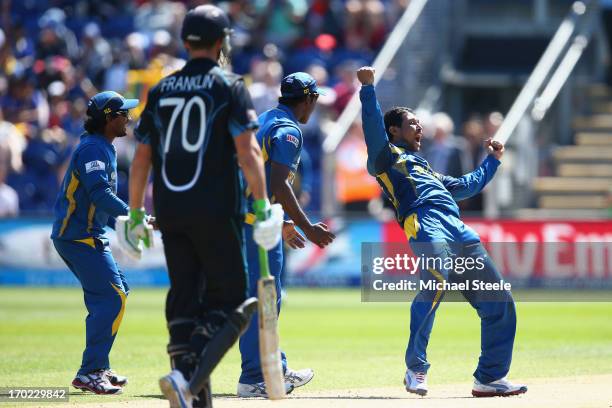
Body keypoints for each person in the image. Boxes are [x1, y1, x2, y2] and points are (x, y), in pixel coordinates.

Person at [126, 5, 282, 408]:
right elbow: (248, 153)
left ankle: (193, 398)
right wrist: (263, 206)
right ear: (221, 42)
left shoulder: (159, 89)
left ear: (185, 42)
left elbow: (140, 158)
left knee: (184, 298)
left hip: (170, 211)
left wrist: (137, 213)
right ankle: (187, 379)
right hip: (215, 208)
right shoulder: (229, 85)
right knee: (232, 301)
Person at [356, 66, 527, 398]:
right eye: (412, 123)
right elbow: (372, 127)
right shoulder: (385, 157)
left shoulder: (427, 169)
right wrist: (368, 89)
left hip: (459, 230)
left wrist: (492, 160)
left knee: (500, 301)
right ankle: (416, 369)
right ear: (394, 130)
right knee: (435, 284)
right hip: (426, 224)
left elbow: (465, 186)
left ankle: (489, 378)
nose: (420, 127)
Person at [237, 72, 336, 398]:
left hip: (254, 219)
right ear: (308, 100)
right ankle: (255, 377)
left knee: (265, 298)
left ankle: (272, 366)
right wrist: (308, 227)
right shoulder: (289, 131)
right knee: (265, 299)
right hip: (256, 225)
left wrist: (283, 221)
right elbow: (278, 183)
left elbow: (260, 179)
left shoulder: (266, 118)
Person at [50, 91, 152, 394]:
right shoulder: (93, 149)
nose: (129, 118)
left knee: (117, 294)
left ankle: (98, 366)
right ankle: (90, 372)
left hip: (85, 234)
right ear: (109, 118)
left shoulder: (103, 147)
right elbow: (99, 194)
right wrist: (135, 215)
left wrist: (130, 221)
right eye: (124, 113)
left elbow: (97, 203)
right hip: (77, 235)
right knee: (111, 298)